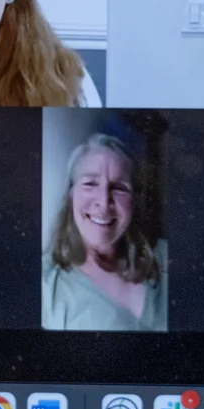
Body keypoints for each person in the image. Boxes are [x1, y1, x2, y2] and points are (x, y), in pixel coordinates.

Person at [42, 133, 167, 332]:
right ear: (71, 195)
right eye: (90, 183)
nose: (103, 201)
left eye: (119, 188)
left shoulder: (165, 255)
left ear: (133, 200)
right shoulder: (45, 286)